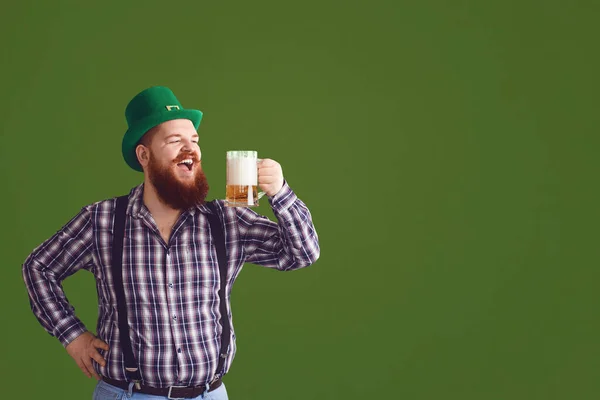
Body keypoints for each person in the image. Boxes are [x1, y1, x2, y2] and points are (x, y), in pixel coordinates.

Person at [22, 86, 320, 399]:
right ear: (144, 155)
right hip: (128, 394)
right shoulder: (103, 220)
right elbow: (38, 267)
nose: (191, 149)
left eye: (194, 141)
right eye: (175, 141)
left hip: (209, 394)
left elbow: (302, 253)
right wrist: (74, 337)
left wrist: (280, 192)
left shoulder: (226, 219)